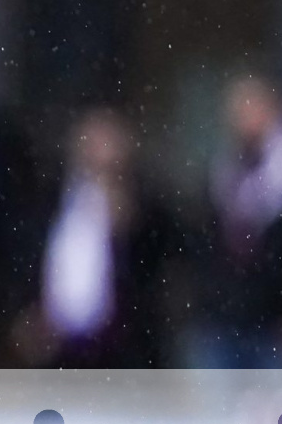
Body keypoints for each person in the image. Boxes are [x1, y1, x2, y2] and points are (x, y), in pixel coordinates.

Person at [193, 74, 282, 367]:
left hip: (279, 328)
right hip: (223, 323)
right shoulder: (223, 172)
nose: (242, 118)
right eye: (236, 110)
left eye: (250, 107)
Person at [33, 108, 182, 368]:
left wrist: (121, 205)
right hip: (58, 344)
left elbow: (156, 263)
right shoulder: (53, 197)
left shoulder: (145, 201)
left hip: (121, 346)